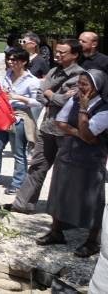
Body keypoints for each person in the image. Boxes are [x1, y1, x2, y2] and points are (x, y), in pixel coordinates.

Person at [5, 38, 84, 214]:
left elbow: (68, 101)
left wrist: (50, 94)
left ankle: (62, 210)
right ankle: (22, 204)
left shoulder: (80, 75)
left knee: (64, 170)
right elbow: (40, 95)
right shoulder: (54, 71)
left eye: (62, 52)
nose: (57, 54)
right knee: (37, 165)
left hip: (66, 130)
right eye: (57, 51)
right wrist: (52, 95)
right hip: (47, 126)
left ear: (75, 55)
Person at [38, 69, 108, 258]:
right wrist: (79, 133)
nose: (80, 87)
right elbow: (60, 121)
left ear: (97, 87)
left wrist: (84, 110)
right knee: (60, 192)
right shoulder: (75, 99)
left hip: (91, 160)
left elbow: (89, 134)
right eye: (79, 83)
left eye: (85, 84)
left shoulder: (104, 109)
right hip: (68, 153)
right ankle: (56, 232)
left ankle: (92, 241)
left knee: (92, 198)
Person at [0, 48, 41, 194]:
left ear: (24, 62)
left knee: (18, 151)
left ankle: (18, 183)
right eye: (9, 59)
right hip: (3, 114)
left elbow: (38, 102)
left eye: (14, 59)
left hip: (20, 115)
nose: (10, 62)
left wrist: (18, 97)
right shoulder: (8, 74)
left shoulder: (32, 81)